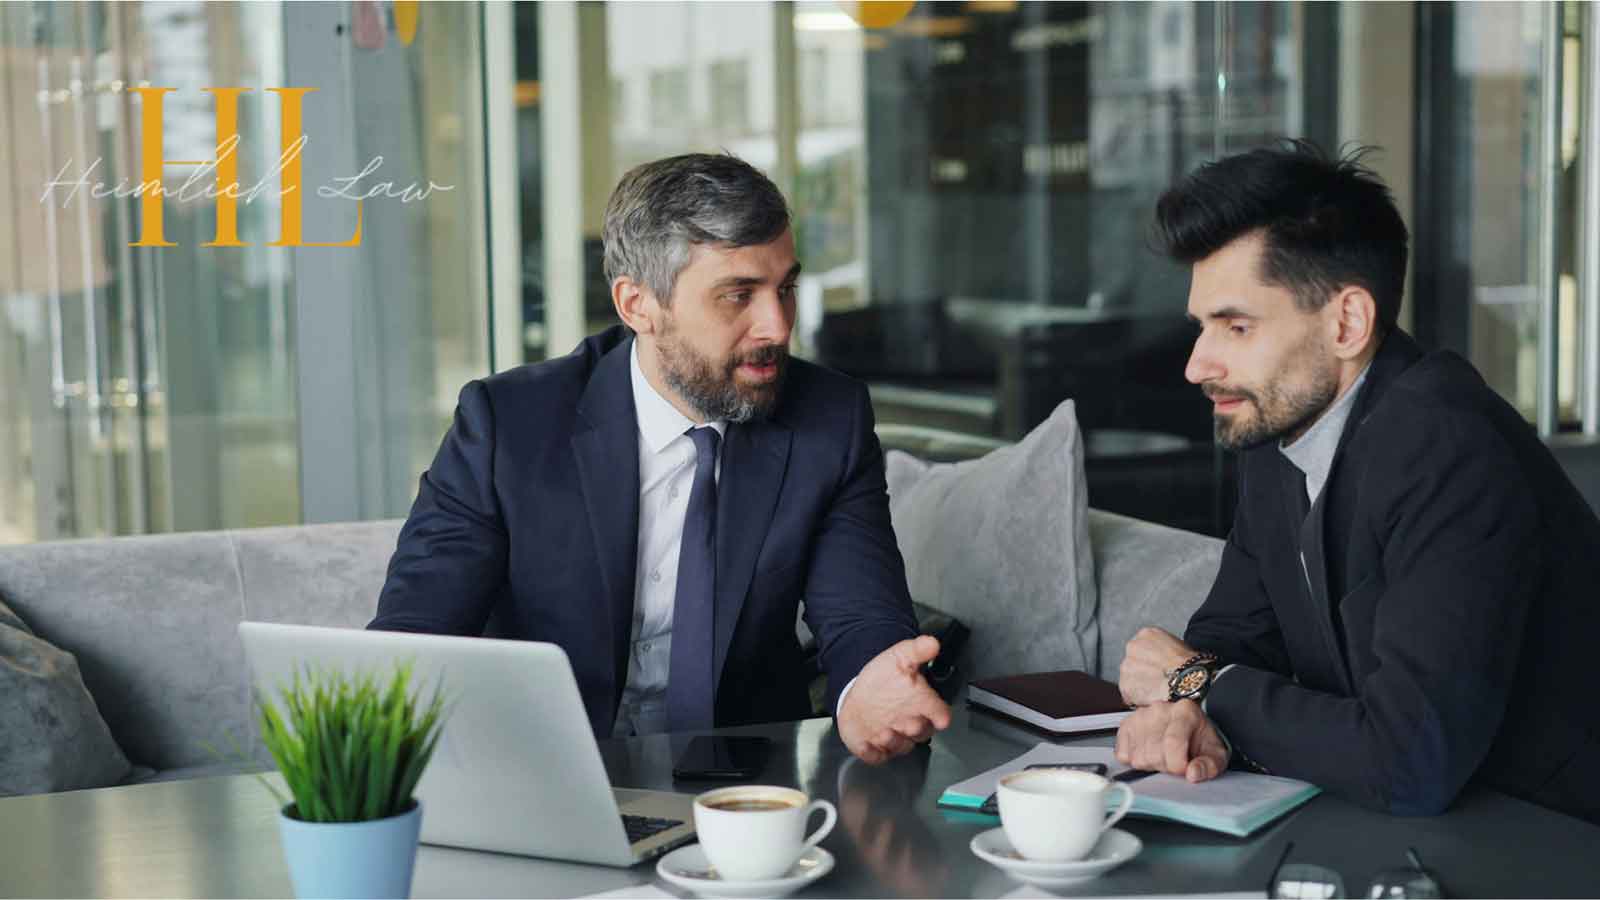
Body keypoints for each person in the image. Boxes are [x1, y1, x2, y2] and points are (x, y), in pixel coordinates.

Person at [371, 153, 949, 764]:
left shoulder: (829, 420)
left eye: (785, 289)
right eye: (737, 295)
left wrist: (867, 689)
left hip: (742, 786)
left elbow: (861, 615)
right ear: (637, 305)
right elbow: (416, 638)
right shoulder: (507, 426)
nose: (778, 327)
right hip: (545, 771)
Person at [1113, 141, 1600, 824]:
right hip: (1420, 827)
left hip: (1556, 836)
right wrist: (1190, 709)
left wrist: (1197, 683)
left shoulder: (1448, 450)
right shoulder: (1278, 430)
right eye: (1203, 327)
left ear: (1347, 322)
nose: (1198, 365)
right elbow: (1234, 636)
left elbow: (1410, 760)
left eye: (1237, 327)